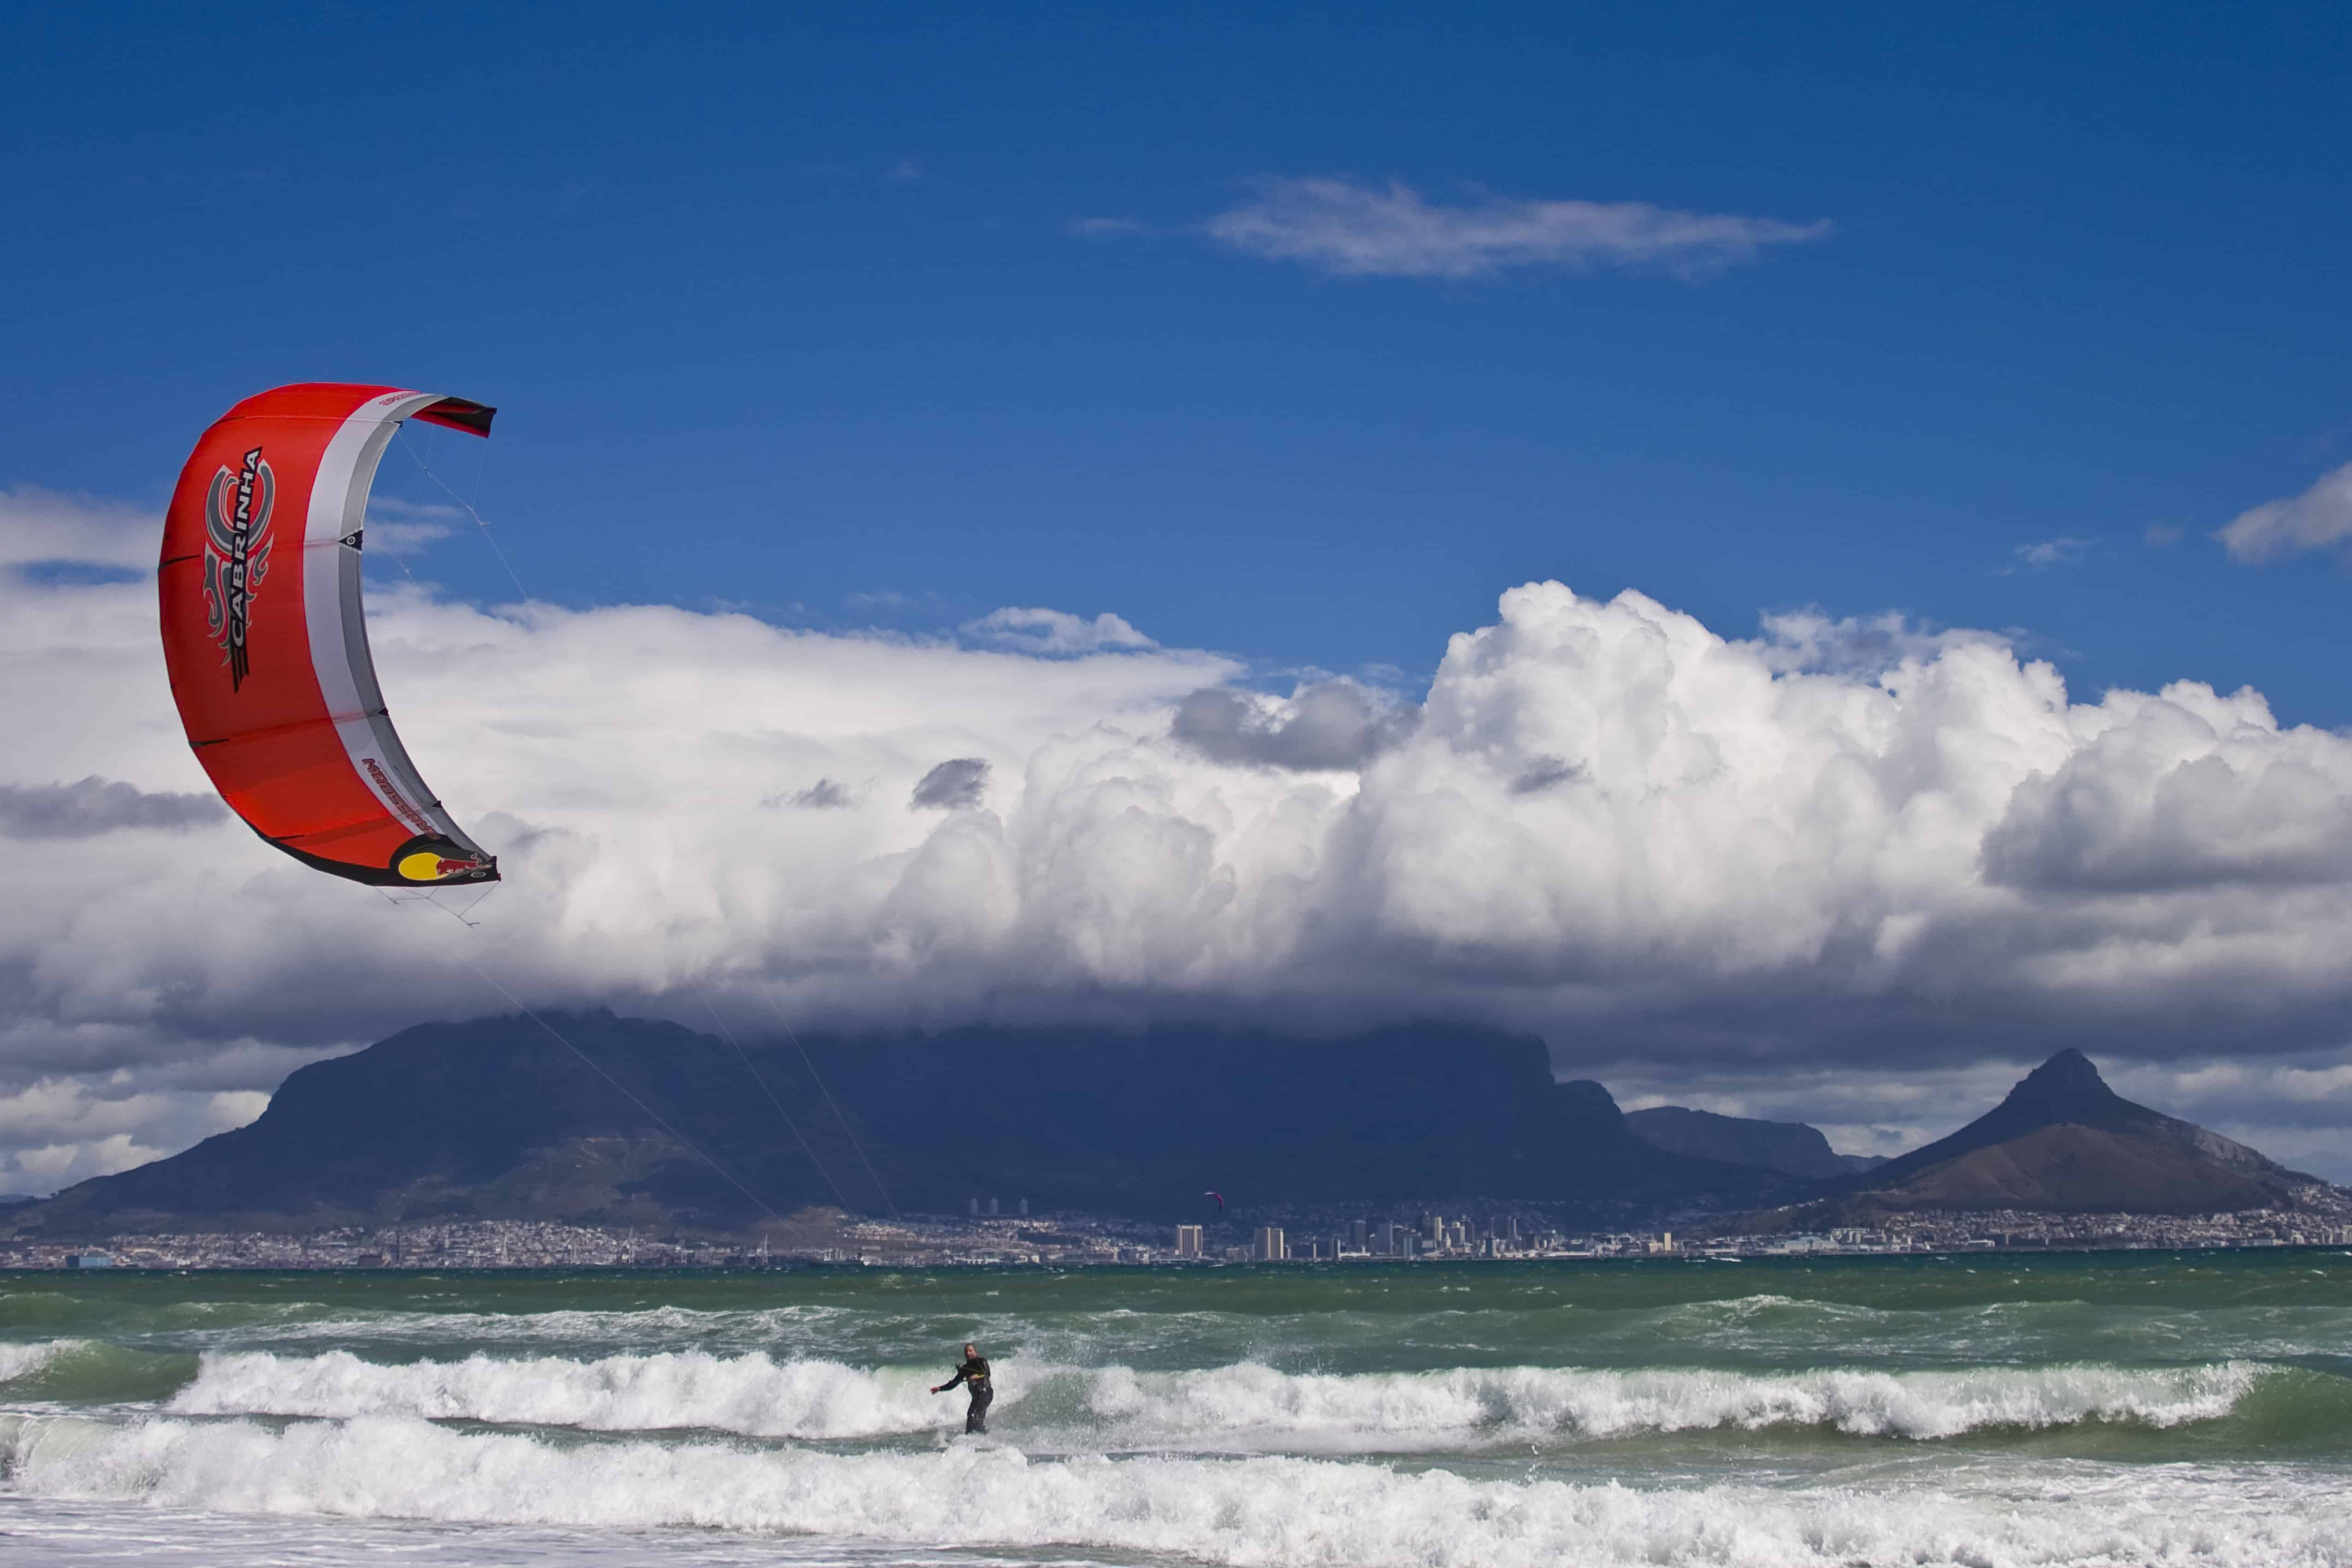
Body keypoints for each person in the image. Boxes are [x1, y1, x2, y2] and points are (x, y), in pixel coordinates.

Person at [931, 1342, 993, 1433]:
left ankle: (987, 1437)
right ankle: (968, 1441)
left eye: (971, 1351)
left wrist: (977, 1376)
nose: (968, 1353)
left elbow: (987, 1374)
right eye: (966, 1352)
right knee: (970, 1418)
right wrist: (940, 1389)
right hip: (976, 1398)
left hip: (986, 1393)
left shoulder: (981, 1361)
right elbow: (954, 1383)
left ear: (975, 1352)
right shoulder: (965, 1369)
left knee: (977, 1420)